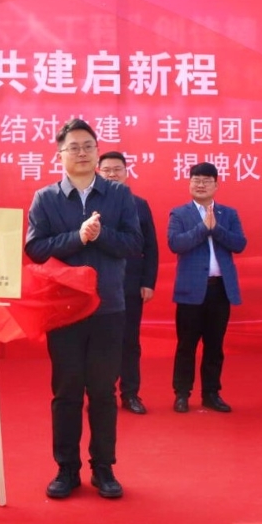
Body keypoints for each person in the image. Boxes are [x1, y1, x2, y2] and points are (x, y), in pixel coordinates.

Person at [25, 119, 142, 500]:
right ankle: (66, 469)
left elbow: (133, 244)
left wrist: (100, 234)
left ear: (97, 152)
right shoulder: (46, 198)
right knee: (66, 390)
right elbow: (35, 248)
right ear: (59, 155)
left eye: (88, 146)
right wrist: (77, 237)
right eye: (73, 147)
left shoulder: (118, 195)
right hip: (64, 309)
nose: (81, 153)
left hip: (108, 307)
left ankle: (104, 468)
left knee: (104, 391)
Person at [167, 162, 246, 413]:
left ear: (216, 185)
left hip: (220, 289)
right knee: (186, 345)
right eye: (196, 180)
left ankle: (211, 394)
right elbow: (175, 244)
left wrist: (216, 229)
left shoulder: (228, 214)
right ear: (189, 184)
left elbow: (239, 244)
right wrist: (203, 228)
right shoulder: (179, 214)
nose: (201, 185)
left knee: (214, 345)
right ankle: (182, 394)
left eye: (206, 180)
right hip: (190, 291)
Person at [98, 151, 158, 415]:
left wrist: (148, 281)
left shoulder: (139, 204)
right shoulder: (90, 203)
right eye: (107, 170)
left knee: (129, 342)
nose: (112, 174)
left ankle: (131, 394)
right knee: (101, 342)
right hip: (98, 285)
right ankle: (102, 394)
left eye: (117, 169)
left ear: (126, 172)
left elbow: (150, 246)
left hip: (131, 284)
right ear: (99, 173)